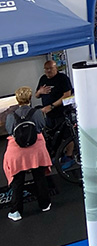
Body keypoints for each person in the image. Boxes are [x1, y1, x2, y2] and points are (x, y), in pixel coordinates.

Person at [4, 86, 52, 221]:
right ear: (30, 98)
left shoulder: (11, 116)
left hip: (17, 153)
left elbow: (10, 131)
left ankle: (16, 212)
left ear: (17, 99)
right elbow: (41, 127)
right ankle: (45, 204)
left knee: (17, 182)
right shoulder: (37, 113)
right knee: (40, 178)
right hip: (36, 151)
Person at [35, 60, 72, 127]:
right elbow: (36, 96)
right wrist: (40, 91)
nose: (48, 70)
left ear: (56, 68)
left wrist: (51, 106)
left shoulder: (63, 78)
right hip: (48, 114)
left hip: (62, 113)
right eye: (46, 69)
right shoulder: (43, 78)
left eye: (51, 68)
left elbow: (67, 95)